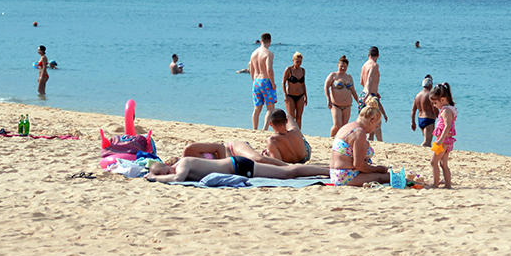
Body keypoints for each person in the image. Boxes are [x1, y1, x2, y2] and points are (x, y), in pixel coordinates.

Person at [145, 150, 328, 183]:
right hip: (237, 166)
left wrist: (156, 178)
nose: (168, 173)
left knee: (290, 173)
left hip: (239, 166)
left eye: (166, 171)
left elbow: (178, 179)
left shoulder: (183, 164)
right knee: (289, 172)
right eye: (164, 173)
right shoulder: (180, 166)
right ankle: (327, 170)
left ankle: (328, 170)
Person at [330, 98, 390, 186]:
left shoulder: (347, 127)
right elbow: (358, 165)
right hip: (345, 177)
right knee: (385, 177)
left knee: (380, 175)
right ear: (372, 120)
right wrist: (377, 169)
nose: (374, 129)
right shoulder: (359, 133)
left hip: (335, 174)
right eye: (376, 125)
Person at [430, 82, 458, 189]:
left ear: (442, 99)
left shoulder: (446, 110)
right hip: (447, 140)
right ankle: (448, 185)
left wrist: (440, 139)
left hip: (444, 141)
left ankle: (435, 184)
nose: (434, 105)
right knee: (443, 164)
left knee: (433, 162)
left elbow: (447, 126)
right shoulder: (448, 109)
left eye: (435, 103)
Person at [324, 55, 360, 137]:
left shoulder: (349, 77)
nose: (343, 68)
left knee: (344, 127)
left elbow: (353, 91)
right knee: (337, 125)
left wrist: (359, 102)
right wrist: (328, 100)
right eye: (341, 66)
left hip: (347, 106)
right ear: (338, 65)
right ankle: (331, 138)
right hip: (336, 105)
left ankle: (340, 140)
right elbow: (326, 87)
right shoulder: (333, 75)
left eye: (345, 66)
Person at [247, 33, 276, 130]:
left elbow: (251, 69)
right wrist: (273, 83)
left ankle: (254, 129)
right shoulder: (268, 53)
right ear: (270, 41)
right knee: (270, 108)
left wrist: (253, 81)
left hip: (256, 81)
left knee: (257, 108)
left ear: (261, 41)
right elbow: (269, 70)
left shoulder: (254, 53)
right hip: (266, 81)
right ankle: (264, 129)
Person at [359, 46, 388, 141]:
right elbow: (370, 78)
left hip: (363, 93)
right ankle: (381, 142)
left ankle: (369, 140)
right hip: (370, 94)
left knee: (367, 121)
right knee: (376, 122)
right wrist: (370, 91)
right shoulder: (374, 65)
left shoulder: (364, 65)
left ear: (368, 55)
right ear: (378, 55)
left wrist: (367, 91)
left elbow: (361, 82)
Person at [282, 52, 307, 129]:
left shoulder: (302, 70)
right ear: (293, 60)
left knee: (299, 117)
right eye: (297, 61)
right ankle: (289, 131)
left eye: (300, 61)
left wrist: (306, 96)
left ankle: (299, 134)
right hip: (290, 96)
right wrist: (285, 95)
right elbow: (283, 83)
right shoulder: (289, 70)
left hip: (300, 95)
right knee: (291, 117)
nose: (299, 63)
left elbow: (303, 84)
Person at [411, 75, 437, 146]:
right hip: (429, 119)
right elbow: (434, 108)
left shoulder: (417, 95)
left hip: (420, 120)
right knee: (427, 142)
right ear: (430, 85)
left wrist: (413, 122)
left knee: (427, 140)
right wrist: (440, 117)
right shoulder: (430, 95)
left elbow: (413, 110)